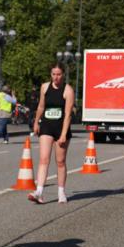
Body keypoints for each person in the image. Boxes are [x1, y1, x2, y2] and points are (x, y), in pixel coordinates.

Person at [30, 62, 75, 204]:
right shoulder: (44, 87)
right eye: (53, 74)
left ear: (63, 75)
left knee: (60, 161)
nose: (56, 77)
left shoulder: (68, 90)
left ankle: (61, 192)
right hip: (47, 127)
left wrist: (63, 134)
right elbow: (41, 106)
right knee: (44, 159)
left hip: (61, 128)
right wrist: (36, 122)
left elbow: (68, 114)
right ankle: (39, 192)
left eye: (59, 74)